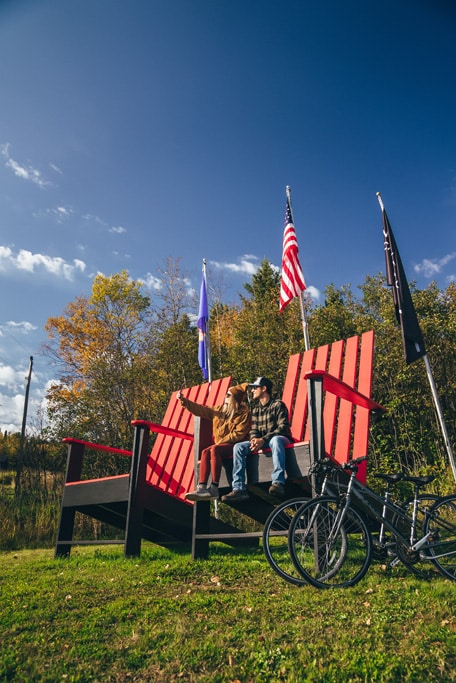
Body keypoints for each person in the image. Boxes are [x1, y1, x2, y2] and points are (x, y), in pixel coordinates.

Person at [221, 376, 292, 502]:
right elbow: (254, 430)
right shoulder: (256, 410)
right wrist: (254, 440)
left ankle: (278, 482)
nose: (252, 390)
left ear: (264, 389)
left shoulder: (278, 405)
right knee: (238, 447)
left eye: (255, 388)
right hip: (263, 442)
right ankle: (239, 489)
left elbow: (283, 428)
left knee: (275, 440)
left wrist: (263, 440)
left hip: (281, 440)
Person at [177, 383, 251, 500]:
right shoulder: (219, 410)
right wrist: (184, 401)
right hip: (222, 445)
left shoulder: (244, 413)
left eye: (228, 395)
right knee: (206, 451)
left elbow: (239, 434)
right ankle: (202, 487)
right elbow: (201, 410)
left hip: (236, 445)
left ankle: (214, 488)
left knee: (214, 449)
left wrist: (220, 442)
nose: (225, 396)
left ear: (234, 399)